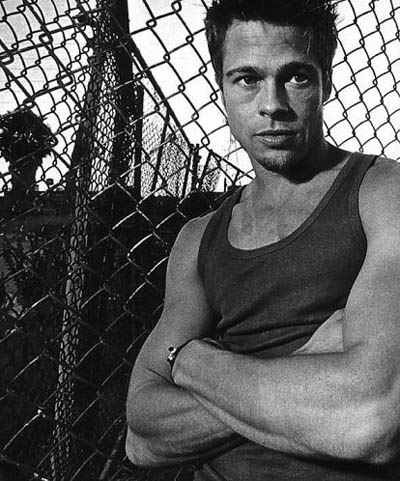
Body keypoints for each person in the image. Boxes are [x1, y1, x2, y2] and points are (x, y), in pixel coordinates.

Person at [125, 0, 400, 479]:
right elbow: (143, 436)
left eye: (296, 76)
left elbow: (369, 419)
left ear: (326, 83)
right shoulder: (197, 239)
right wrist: (307, 368)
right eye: (247, 79)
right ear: (221, 90)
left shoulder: (383, 194)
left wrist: (190, 362)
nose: (272, 103)